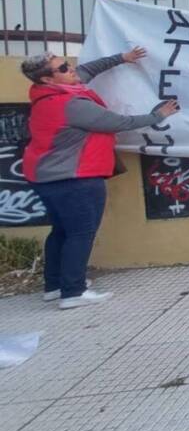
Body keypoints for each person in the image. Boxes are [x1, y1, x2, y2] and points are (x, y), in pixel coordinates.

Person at [21, 50, 180, 310]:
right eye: (62, 68)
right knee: (80, 233)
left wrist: (122, 57)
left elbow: (89, 69)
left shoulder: (51, 93)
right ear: (47, 79)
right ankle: (73, 292)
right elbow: (119, 121)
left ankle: (54, 286)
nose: (71, 69)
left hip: (46, 176)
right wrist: (159, 115)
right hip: (74, 178)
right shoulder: (70, 105)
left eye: (67, 64)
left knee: (61, 231)